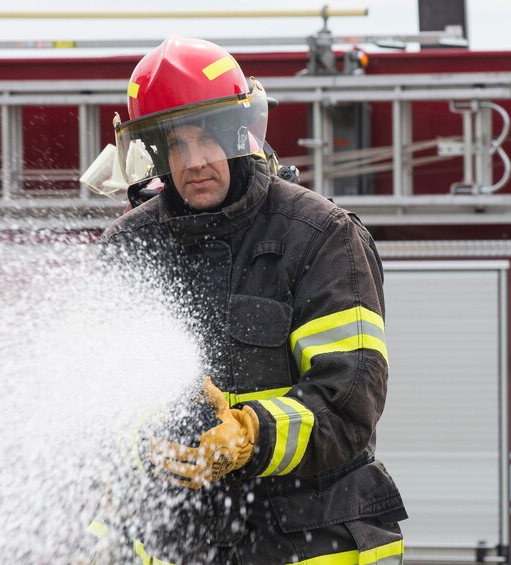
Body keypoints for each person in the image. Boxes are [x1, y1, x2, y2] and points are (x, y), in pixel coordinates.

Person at [93, 36, 406, 564]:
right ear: (153, 152)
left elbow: (348, 400)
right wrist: (149, 445)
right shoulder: (129, 248)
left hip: (309, 540)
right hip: (180, 542)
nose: (194, 162)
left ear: (242, 132)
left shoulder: (320, 236)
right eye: (176, 144)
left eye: (207, 139)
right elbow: (99, 401)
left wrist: (248, 434)